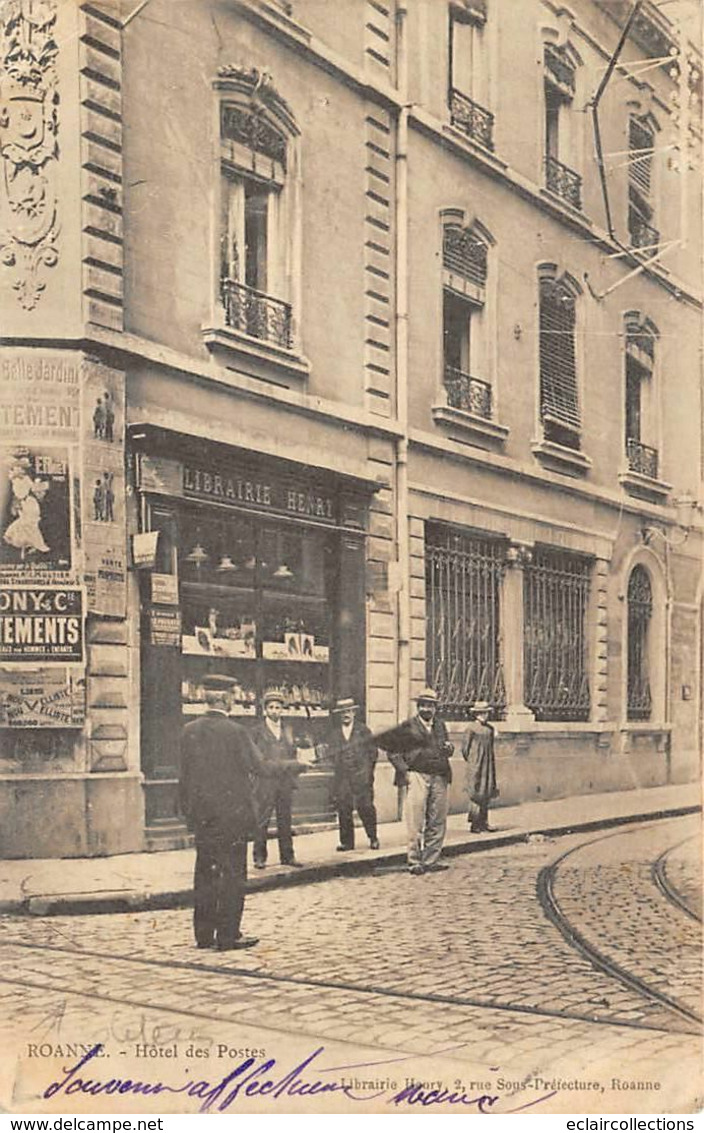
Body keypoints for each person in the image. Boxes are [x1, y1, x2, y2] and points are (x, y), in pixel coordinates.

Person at [179, 674, 303, 950]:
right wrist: (295, 764)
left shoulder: (189, 731)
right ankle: (228, 935)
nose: (234, 700)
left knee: (205, 873)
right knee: (233, 875)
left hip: (203, 818)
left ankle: (203, 935)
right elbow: (262, 768)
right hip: (233, 818)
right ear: (225, 700)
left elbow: (184, 780)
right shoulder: (237, 733)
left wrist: (190, 816)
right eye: (233, 696)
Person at [377, 688, 454, 876]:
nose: (427, 709)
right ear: (418, 707)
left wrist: (449, 749)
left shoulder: (440, 726)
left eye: (431, 706)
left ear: (436, 708)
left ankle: (431, 860)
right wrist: (406, 772)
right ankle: (414, 861)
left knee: (437, 820)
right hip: (418, 775)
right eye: (424, 705)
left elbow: (445, 748)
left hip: (439, 776)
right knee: (415, 820)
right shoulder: (408, 728)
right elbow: (393, 752)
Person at [250, 690, 303, 869]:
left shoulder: (288, 730)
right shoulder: (257, 732)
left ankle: (288, 856)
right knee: (262, 819)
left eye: (278, 708)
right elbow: (257, 760)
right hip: (265, 782)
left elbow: (293, 752)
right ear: (265, 710)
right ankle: (259, 857)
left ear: (282, 710)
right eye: (271, 707)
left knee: (285, 819)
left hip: (285, 782)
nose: (274, 711)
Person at [327, 697, 380, 852]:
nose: (346, 715)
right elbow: (332, 754)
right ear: (339, 715)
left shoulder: (363, 730)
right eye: (343, 712)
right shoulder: (335, 734)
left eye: (349, 711)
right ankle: (347, 842)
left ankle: (373, 838)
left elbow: (373, 753)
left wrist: (367, 773)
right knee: (344, 809)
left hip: (361, 777)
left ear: (354, 713)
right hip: (343, 778)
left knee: (366, 808)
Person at [462, 700, 498, 833]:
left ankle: (484, 822)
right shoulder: (471, 729)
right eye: (481, 713)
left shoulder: (490, 729)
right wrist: (473, 760)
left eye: (486, 713)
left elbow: (491, 746)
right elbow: (465, 749)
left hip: (487, 765)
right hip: (475, 764)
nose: (484, 716)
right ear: (476, 714)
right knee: (476, 792)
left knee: (486, 791)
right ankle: (475, 824)